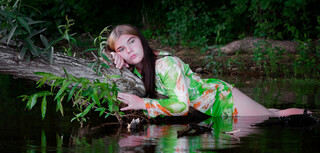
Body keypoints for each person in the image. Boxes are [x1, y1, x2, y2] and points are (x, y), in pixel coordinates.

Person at [106, 24, 307, 118]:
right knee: (273, 113)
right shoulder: (136, 66)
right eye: (121, 49)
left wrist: (142, 103)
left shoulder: (164, 64)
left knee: (274, 118)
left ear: (141, 39)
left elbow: (181, 106)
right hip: (210, 108)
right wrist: (110, 55)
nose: (129, 50)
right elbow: (104, 53)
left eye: (132, 41)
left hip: (222, 100)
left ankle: (313, 116)